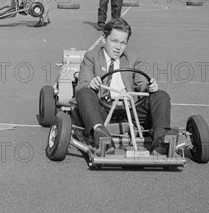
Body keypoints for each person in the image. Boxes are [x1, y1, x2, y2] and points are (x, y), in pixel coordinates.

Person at [75, 18, 177, 154]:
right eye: (114, 41)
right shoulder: (91, 57)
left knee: (161, 95)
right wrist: (91, 84)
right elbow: (82, 84)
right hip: (104, 109)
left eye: (123, 43)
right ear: (104, 39)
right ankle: (100, 135)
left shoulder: (132, 57)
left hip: (131, 109)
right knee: (84, 92)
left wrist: (149, 86)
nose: (118, 47)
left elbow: (142, 82)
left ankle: (161, 140)